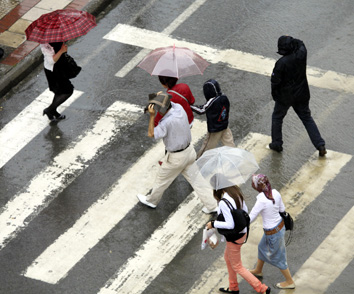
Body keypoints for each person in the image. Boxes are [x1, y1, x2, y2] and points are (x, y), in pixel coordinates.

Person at [137, 91, 217, 214]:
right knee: (198, 180)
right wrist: (161, 97)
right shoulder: (178, 108)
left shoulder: (166, 122)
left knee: (161, 180)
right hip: (189, 152)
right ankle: (212, 205)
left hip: (176, 158)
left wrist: (152, 116)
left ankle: (151, 201)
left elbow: (151, 134)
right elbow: (168, 103)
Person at [206, 185, 271, 294]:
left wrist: (213, 224)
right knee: (228, 258)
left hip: (234, 237)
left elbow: (230, 224)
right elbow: (245, 212)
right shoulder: (236, 194)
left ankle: (261, 288)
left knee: (237, 266)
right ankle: (233, 287)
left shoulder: (224, 202)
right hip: (242, 233)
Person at [269, 35, 326, 156]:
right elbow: (301, 43)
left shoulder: (281, 63)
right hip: (302, 94)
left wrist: (275, 96)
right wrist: (291, 39)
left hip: (285, 97)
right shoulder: (301, 54)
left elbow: (275, 82)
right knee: (307, 118)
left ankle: (277, 143)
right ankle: (320, 144)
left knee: (277, 118)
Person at [248, 174, 295, 289]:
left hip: (273, 233)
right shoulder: (275, 192)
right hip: (279, 226)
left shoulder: (261, 200)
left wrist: (238, 221)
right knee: (261, 247)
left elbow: (250, 218)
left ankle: (289, 282)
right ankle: (258, 270)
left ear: (256, 187)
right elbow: (282, 209)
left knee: (279, 258)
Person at [191, 79, 235, 158]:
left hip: (215, 129)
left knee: (207, 148)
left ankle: (199, 161)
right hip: (225, 125)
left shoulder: (212, 100)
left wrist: (189, 106)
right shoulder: (224, 97)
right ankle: (236, 158)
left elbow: (202, 110)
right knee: (229, 144)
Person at [40, 42, 74, 122]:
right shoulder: (45, 44)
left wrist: (64, 49)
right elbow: (51, 61)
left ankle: (53, 111)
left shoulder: (57, 37)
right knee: (67, 91)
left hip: (60, 68)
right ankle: (49, 110)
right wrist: (62, 51)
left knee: (59, 92)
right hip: (54, 71)